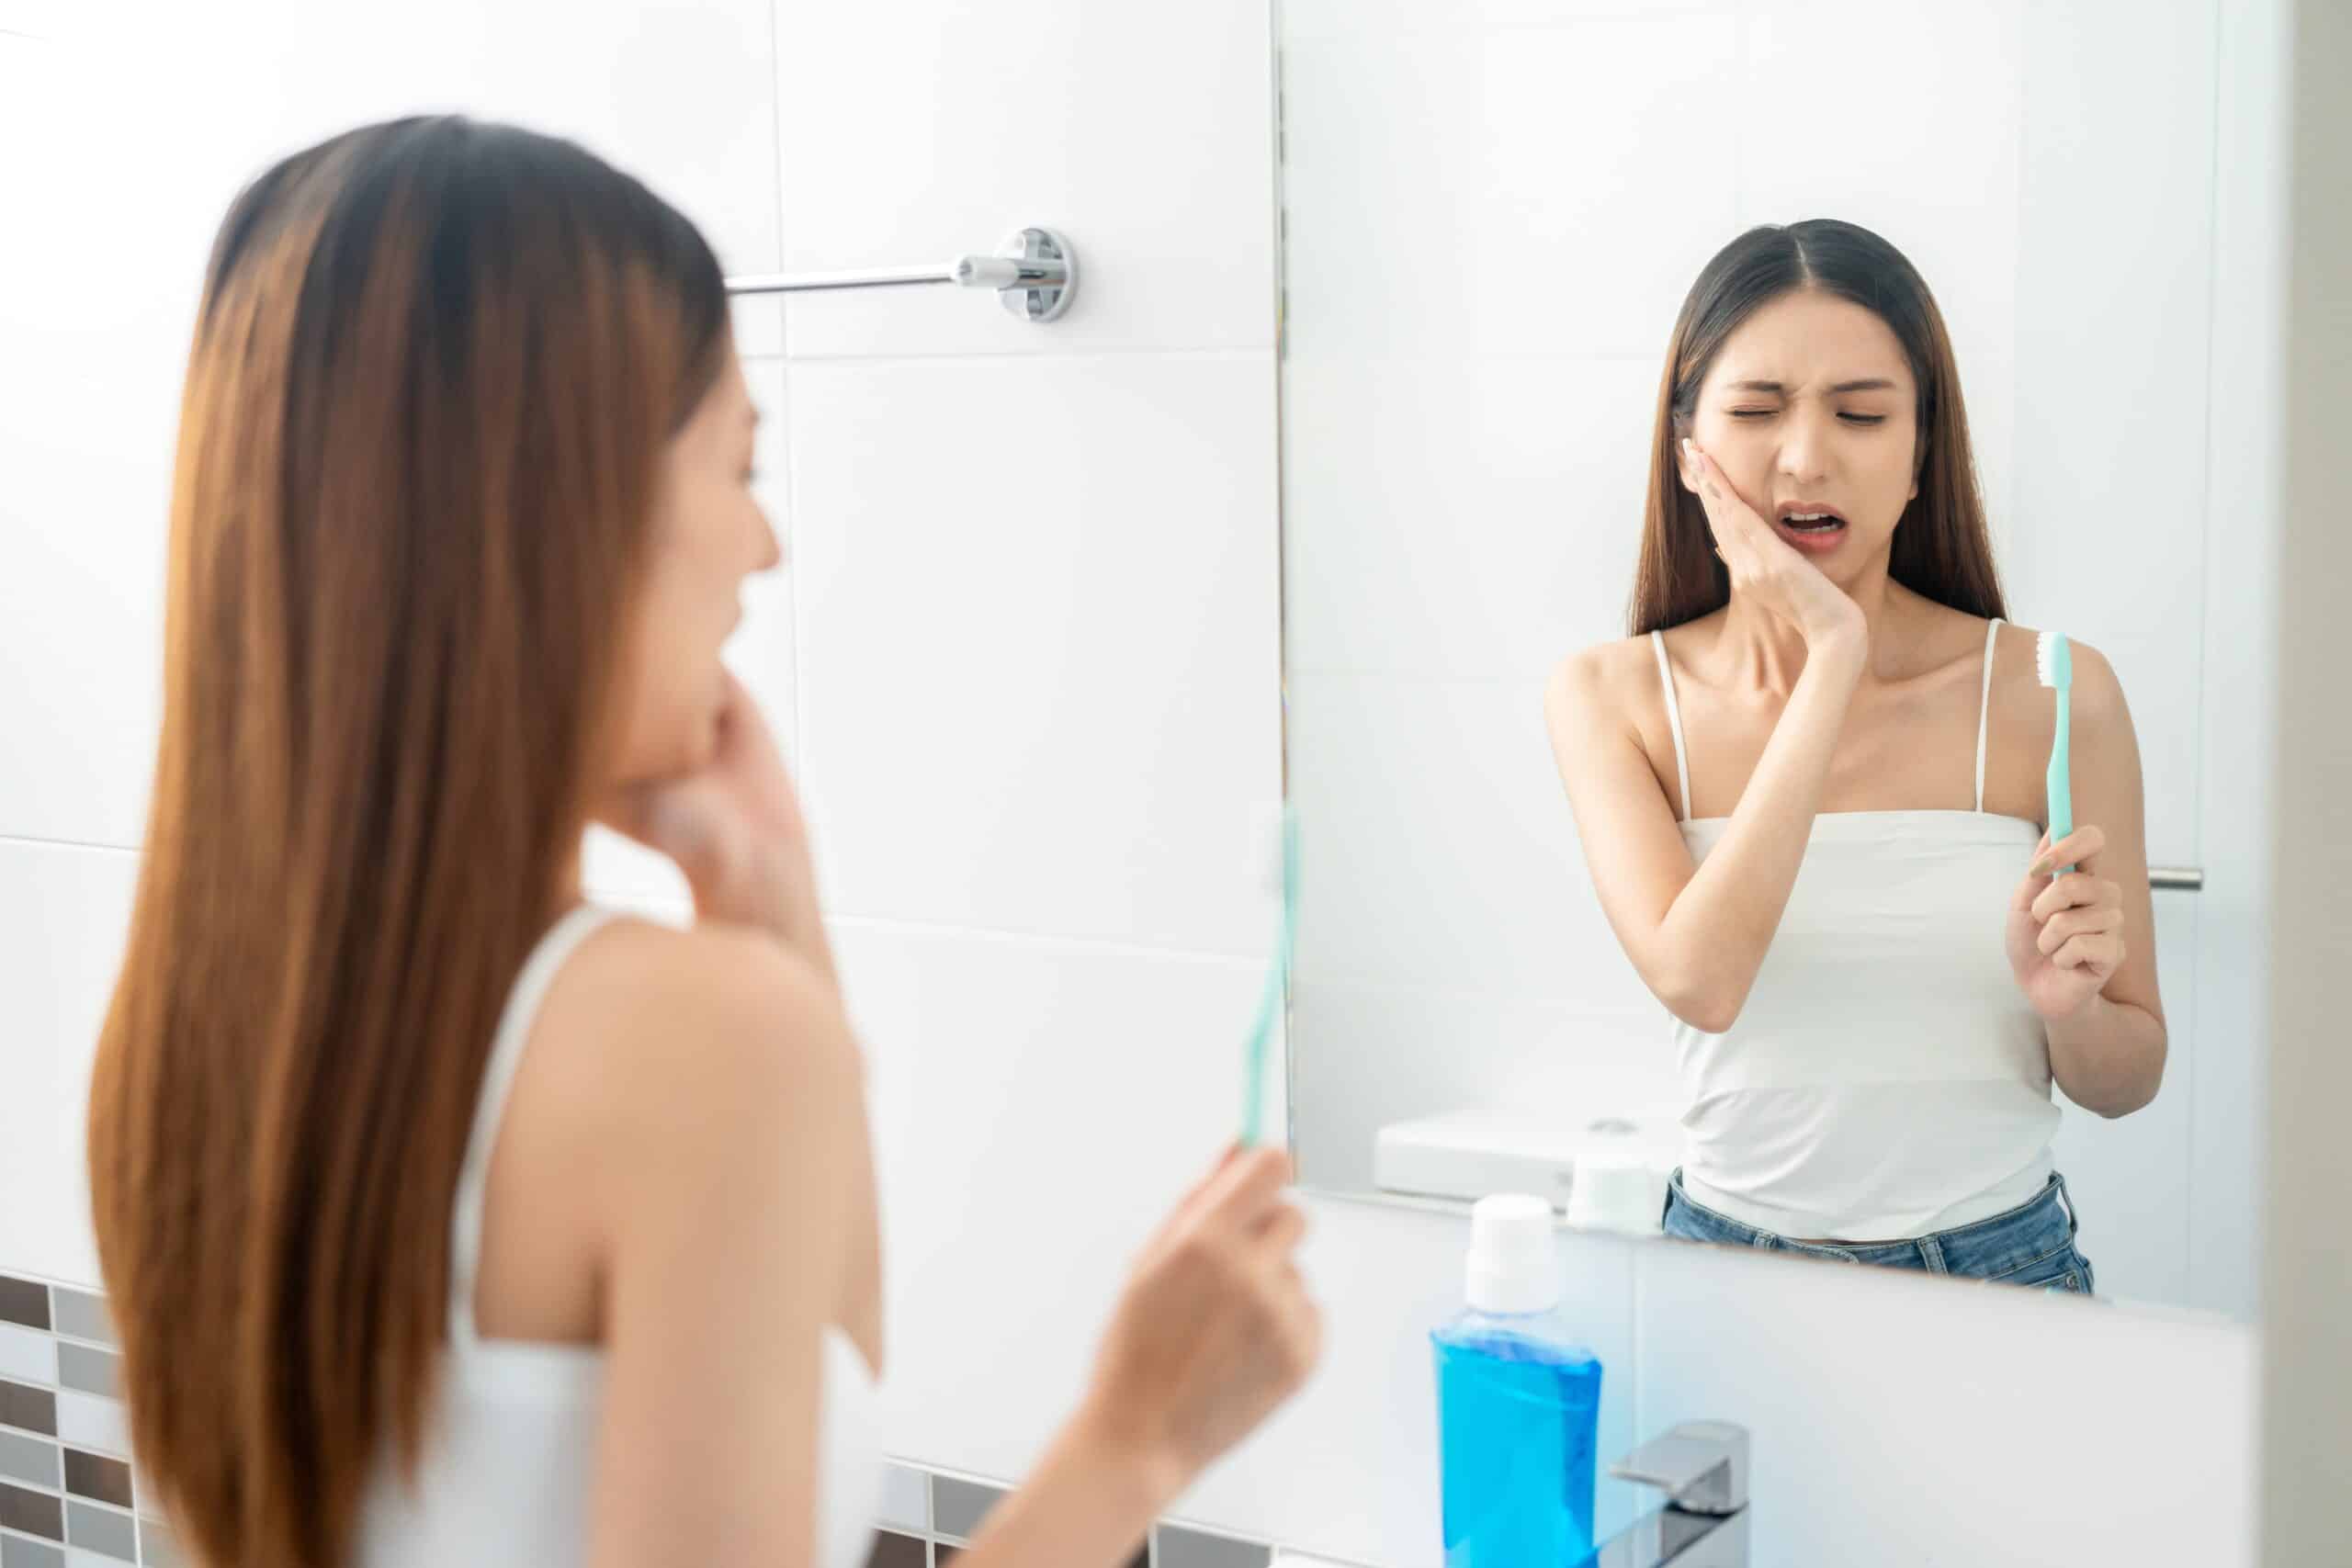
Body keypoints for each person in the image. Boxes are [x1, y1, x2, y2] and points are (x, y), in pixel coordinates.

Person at [85, 116, 1320, 1568]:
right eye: (738, 467)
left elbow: (812, 1397)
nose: (765, 546)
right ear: (565, 512)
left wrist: (771, 900)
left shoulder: (191, 1030)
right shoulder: (693, 1042)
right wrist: (1138, 1435)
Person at [1544, 219, 2165, 1290]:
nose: (1803, 457)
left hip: (2001, 1272)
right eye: (1753, 411)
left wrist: (2066, 1014)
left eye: (1862, 414)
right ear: (1687, 447)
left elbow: (2126, 1080)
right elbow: (1699, 980)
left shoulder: (2055, 692)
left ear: (1922, 452)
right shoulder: (1613, 697)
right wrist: (1833, 652)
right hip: (1721, 1271)